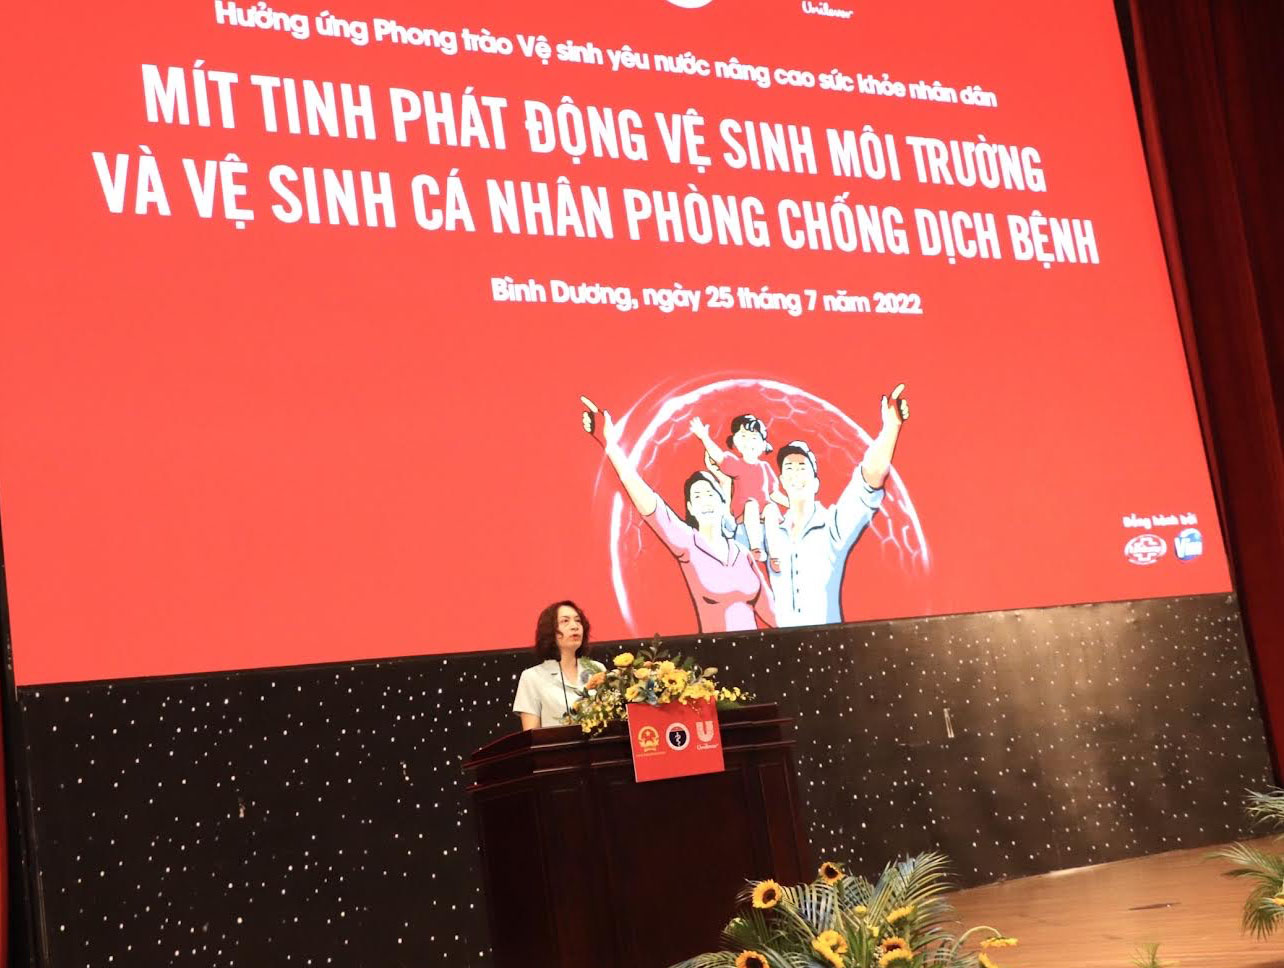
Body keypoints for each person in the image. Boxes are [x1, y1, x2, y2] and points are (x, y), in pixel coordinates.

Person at [581, 396, 777, 633]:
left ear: (723, 501)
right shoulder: (688, 542)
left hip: (757, 651)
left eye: (710, 493)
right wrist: (610, 445)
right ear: (690, 508)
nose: (705, 500)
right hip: (715, 653)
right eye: (698, 496)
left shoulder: (743, 553)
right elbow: (649, 503)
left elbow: (775, 616)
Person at [763, 384, 910, 627]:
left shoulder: (832, 527)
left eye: (802, 467)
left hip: (827, 644)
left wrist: (891, 428)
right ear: (781, 480)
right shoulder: (769, 531)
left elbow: (869, 478)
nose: (795, 473)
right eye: (788, 468)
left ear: (816, 482)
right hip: (779, 647)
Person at [688, 413, 786, 561]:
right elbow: (718, 456)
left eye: (754, 438)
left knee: (772, 509)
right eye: (743, 437)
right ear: (735, 441)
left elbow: (773, 493)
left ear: (763, 445)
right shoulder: (736, 464)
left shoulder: (765, 467)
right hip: (744, 511)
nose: (749, 442)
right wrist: (704, 437)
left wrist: (790, 503)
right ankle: (756, 548)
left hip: (764, 509)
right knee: (751, 505)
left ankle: (775, 555)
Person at [513, 600, 604, 730]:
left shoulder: (597, 669)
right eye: (565, 621)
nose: (575, 626)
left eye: (578, 621)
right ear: (550, 631)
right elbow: (531, 734)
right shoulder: (532, 677)